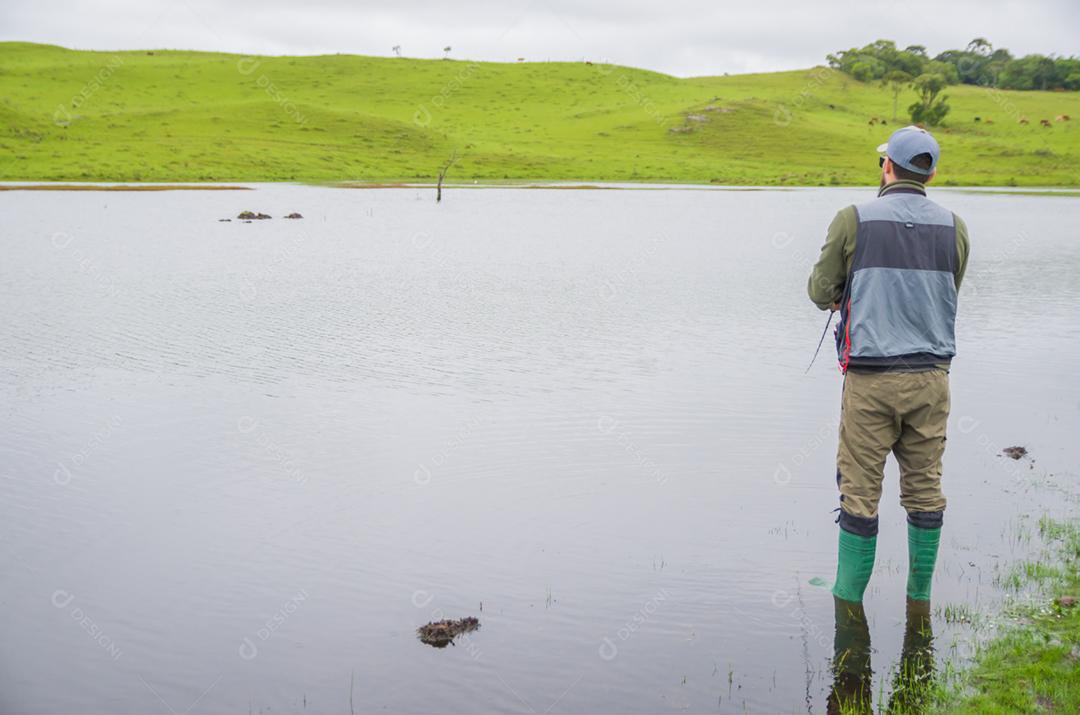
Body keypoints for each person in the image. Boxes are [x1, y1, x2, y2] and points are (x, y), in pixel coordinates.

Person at [807, 126, 970, 606]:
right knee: (925, 490)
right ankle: (919, 599)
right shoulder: (955, 226)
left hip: (870, 380)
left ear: (886, 167)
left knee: (858, 493)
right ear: (932, 173)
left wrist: (848, 294)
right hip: (932, 379)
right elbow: (946, 291)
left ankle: (848, 598)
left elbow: (820, 291)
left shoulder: (852, 219)